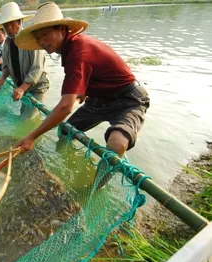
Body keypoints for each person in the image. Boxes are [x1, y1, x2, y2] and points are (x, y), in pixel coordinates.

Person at [14, 2, 150, 187]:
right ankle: (63, 160)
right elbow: (92, 72)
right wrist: (85, 91)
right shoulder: (70, 48)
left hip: (128, 100)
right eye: (38, 38)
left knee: (116, 144)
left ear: (61, 29)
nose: (42, 42)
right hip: (99, 100)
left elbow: (65, 107)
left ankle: (94, 190)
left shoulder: (78, 50)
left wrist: (31, 136)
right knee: (65, 130)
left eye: (45, 34)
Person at [0, 2, 50, 119]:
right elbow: (6, 64)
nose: (10, 28)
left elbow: (37, 68)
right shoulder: (7, 43)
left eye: (13, 23)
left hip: (36, 88)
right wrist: (2, 78)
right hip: (22, 88)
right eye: (6, 25)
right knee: (24, 115)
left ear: (20, 22)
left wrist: (22, 88)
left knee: (26, 121)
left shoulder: (31, 39)